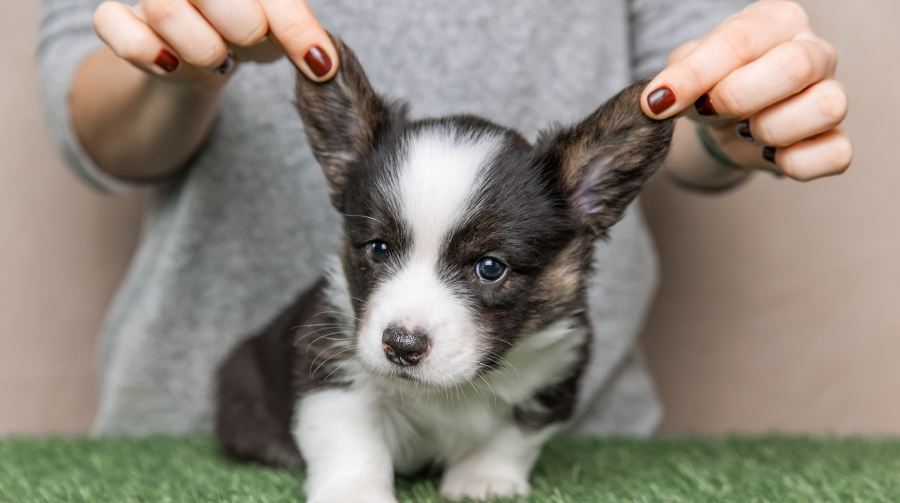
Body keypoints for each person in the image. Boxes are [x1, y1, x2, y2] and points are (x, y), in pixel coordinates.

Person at [39, 0, 851, 435]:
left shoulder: (583, 191)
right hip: (195, 420)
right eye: (382, 249)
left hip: (571, 438)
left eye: (487, 266)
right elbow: (94, 121)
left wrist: (740, 115)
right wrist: (176, 67)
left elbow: (693, 92)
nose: (405, 321)